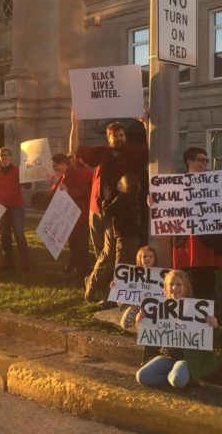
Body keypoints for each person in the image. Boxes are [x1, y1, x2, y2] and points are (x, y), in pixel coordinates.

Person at [69, 109, 149, 302]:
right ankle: (102, 288)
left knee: (114, 254)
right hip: (97, 210)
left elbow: (151, 149)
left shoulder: (133, 153)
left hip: (120, 214)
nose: (119, 139)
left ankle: (109, 289)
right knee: (102, 253)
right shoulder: (101, 153)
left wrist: (146, 124)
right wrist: (75, 125)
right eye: (115, 136)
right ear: (109, 138)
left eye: (121, 135)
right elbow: (75, 149)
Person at [134, 269, 220, 389]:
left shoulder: (197, 307)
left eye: (179, 284)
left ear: (186, 286)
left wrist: (215, 326)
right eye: (171, 284)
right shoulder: (159, 307)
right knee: (142, 377)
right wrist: (141, 321)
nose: (175, 288)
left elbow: (211, 337)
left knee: (178, 380)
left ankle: (181, 377)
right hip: (166, 356)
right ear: (165, 287)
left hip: (187, 360)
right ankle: (185, 379)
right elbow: (150, 333)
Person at [173, 148, 222, 299]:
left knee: (206, 275)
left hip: (207, 238)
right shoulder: (177, 183)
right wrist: (153, 203)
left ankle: (207, 310)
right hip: (187, 238)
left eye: (206, 160)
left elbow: (220, 208)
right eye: (200, 159)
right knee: (186, 276)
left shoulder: (214, 183)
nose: (204, 163)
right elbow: (167, 207)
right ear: (189, 161)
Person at [86, 173, 141, 300]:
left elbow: (107, 212)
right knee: (125, 265)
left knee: (119, 266)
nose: (117, 185)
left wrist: (105, 200)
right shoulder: (135, 198)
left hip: (122, 236)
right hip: (133, 236)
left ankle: (113, 296)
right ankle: (115, 296)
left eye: (120, 183)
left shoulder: (121, 198)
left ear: (124, 187)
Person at [51, 153, 93, 282]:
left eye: (55, 166)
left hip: (80, 217)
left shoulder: (77, 174)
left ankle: (83, 273)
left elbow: (86, 192)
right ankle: (75, 269)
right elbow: (54, 191)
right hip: (70, 217)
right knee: (74, 245)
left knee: (81, 246)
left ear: (63, 164)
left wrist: (69, 191)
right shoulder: (63, 176)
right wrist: (53, 183)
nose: (54, 168)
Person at [0, 147, 31, 272]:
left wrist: (28, 176)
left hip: (16, 207)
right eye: (2, 155)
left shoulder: (18, 171)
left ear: (11, 156)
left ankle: (25, 263)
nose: (4, 157)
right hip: (2, 208)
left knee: (19, 234)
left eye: (6, 154)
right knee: (4, 236)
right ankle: (8, 263)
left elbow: (28, 186)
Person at [120, 246, 159, 331]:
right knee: (125, 323)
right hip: (137, 304)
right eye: (144, 256)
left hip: (154, 305)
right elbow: (122, 292)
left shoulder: (160, 275)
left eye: (151, 257)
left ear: (154, 259)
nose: (148, 259)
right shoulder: (132, 274)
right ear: (139, 259)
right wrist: (115, 286)